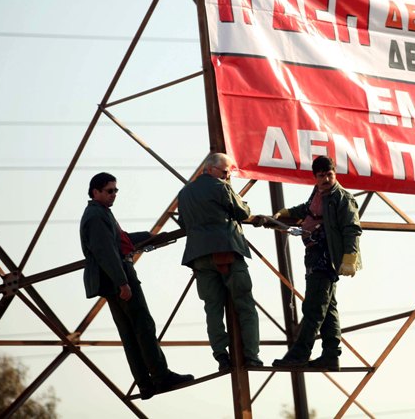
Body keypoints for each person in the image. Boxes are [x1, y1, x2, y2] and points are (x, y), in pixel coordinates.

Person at [79, 172, 193, 400]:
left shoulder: (100, 214)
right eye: (109, 191)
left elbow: (120, 240)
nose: (114, 195)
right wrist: (123, 282)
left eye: (115, 191)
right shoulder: (96, 216)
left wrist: (151, 237)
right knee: (143, 327)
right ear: (96, 192)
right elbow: (106, 251)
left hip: (112, 280)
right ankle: (161, 376)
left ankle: (145, 384)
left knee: (130, 334)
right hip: (119, 278)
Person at [271, 155, 362, 370]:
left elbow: (352, 229)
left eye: (329, 174)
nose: (326, 179)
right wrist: (286, 213)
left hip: (326, 258)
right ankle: (331, 355)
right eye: (321, 176)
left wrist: (350, 258)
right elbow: (307, 209)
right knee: (327, 309)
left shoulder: (342, 198)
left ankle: (299, 354)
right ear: (316, 177)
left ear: (334, 174)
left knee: (313, 308)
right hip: (314, 255)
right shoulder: (318, 193)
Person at [177, 153, 263, 370]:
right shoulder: (221, 187)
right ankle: (251, 356)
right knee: (245, 305)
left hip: (199, 258)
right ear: (210, 169)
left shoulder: (185, 193)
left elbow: (183, 223)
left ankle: (221, 356)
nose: (227, 175)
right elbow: (242, 212)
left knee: (212, 309)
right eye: (225, 171)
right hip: (226, 252)